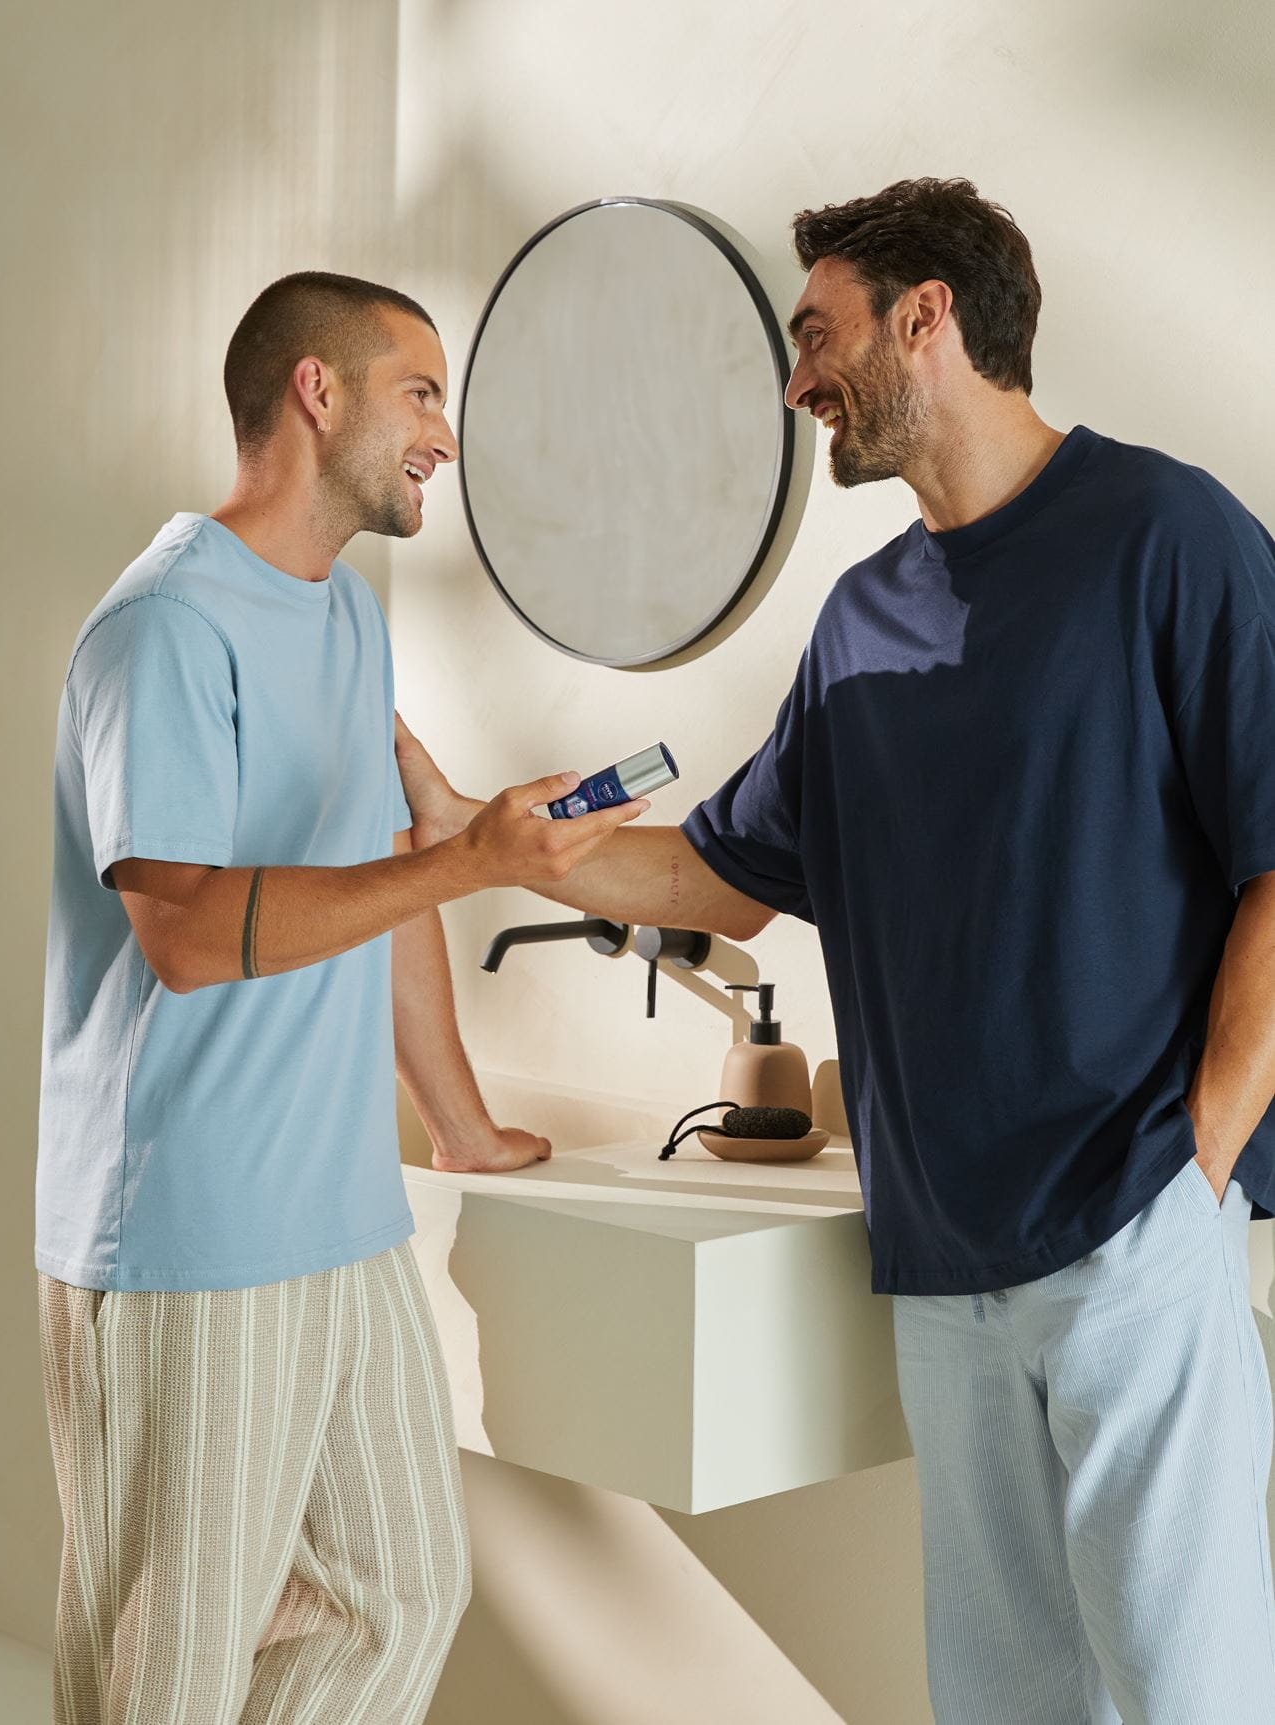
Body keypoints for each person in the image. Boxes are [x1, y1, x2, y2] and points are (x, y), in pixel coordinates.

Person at [395, 179, 1275, 1722]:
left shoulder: (1167, 534)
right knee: (1002, 1701)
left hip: (1132, 1230)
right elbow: (722, 879)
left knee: (1187, 1696)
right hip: (940, 1265)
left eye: (819, 331)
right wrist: (481, 830)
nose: (795, 378)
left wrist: (1193, 1161)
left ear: (927, 319)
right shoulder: (863, 619)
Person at [35, 270, 645, 1725]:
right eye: (421, 392)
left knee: (401, 1592)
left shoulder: (347, 620)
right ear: (318, 392)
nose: (446, 431)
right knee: (168, 1659)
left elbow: (382, 869)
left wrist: (462, 1123)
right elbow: (181, 928)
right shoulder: (166, 628)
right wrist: (466, 861)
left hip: (339, 1213)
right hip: (190, 1222)